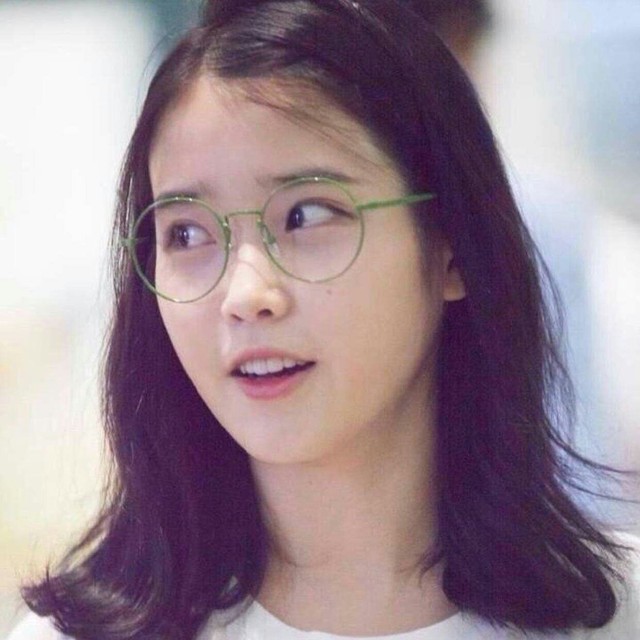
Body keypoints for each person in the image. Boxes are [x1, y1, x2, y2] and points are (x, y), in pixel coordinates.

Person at [9, 0, 639, 638]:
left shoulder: (614, 612)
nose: (246, 293)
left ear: (451, 245)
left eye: (306, 215)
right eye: (187, 233)